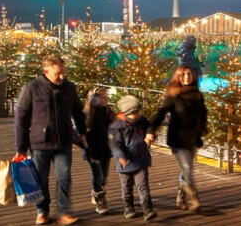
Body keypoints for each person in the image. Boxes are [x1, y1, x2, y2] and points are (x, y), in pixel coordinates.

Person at [14, 57, 86, 225]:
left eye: (63, 72)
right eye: (57, 73)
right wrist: (21, 148)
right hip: (40, 142)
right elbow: (21, 119)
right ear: (46, 72)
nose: (61, 76)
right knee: (41, 179)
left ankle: (63, 211)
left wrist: (82, 133)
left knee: (64, 177)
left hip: (64, 141)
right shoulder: (32, 88)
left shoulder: (69, 87)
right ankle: (42, 210)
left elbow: (78, 111)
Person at [147, 65, 208, 212]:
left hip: (192, 138)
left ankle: (181, 195)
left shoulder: (198, 95)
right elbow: (160, 114)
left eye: (189, 74)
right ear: (178, 77)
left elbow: (202, 114)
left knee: (186, 168)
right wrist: (151, 130)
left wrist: (201, 132)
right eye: (184, 75)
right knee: (187, 167)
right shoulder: (173, 95)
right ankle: (194, 198)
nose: (187, 77)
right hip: (178, 138)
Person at [109, 95, 156, 220]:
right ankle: (128, 206)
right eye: (135, 112)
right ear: (127, 113)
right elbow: (115, 144)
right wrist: (120, 157)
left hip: (141, 160)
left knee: (143, 185)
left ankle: (147, 209)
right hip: (126, 162)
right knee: (127, 185)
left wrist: (150, 134)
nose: (138, 114)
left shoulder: (142, 121)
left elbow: (151, 126)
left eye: (139, 111)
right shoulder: (117, 126)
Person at [83, 87, 114, 215]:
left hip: (106, 149)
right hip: (92, 150)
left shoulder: (109, 112)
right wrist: (90, 152)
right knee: (97, 175)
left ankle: (96, 191)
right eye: (102, 97)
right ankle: (101, 200)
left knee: (104, 176)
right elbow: (85, 135)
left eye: (106, 97)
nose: (106, 99)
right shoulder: (86, 114)